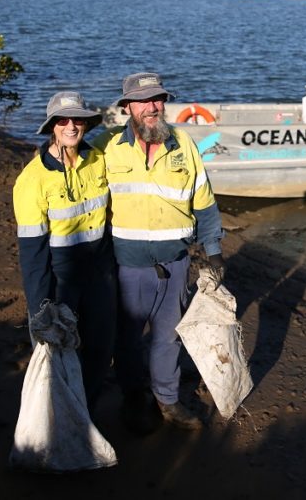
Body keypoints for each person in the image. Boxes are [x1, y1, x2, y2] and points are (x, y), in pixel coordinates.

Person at [93, 72, 225, 431]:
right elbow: (78, 182)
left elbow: (205, 201)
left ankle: (167, 401)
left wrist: (213, 251)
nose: (152, 107)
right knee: (128, 339)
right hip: (128, 266)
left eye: (158, 99)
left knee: (169, 337)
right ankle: (134, 397)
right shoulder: (105, 147)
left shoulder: (184, 144)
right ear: (127, 107)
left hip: (176, 263)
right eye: (143, 101)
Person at [12, 91, 117, 414]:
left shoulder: (97, 160)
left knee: (100, 348)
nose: (71, 127)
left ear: (86, 124)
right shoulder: (32, 180)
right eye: (63, 120)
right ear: (52, 127)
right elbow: (32, 252)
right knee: (59, 353)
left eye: (78, 120)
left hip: (100, 275)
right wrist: (40, 305)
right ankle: (60, 419)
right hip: (61, 281)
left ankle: (88, 412)